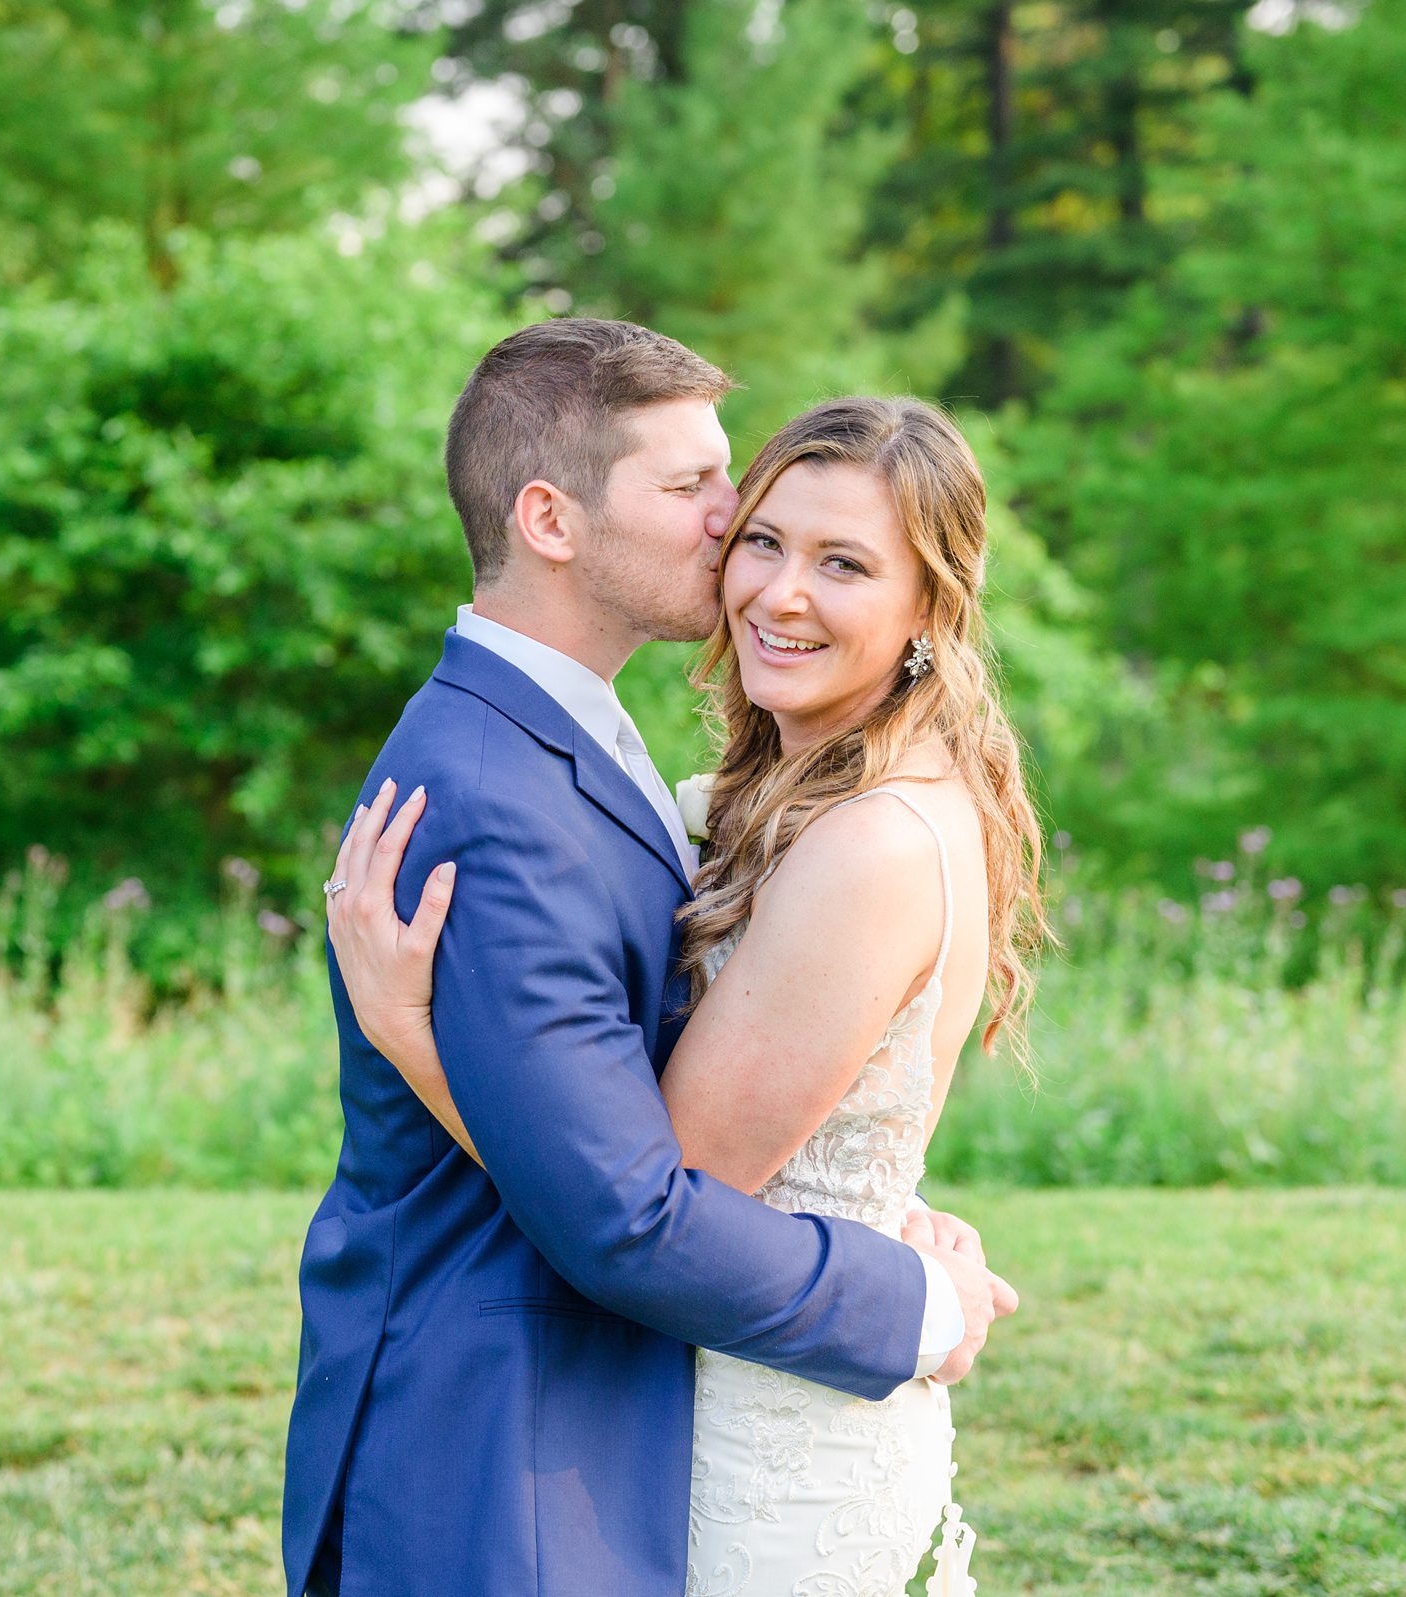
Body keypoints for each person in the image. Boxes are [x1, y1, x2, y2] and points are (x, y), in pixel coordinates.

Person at [281, 318, 1026, 1597]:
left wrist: (421, 1035)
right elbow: (632, 1205)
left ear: (924, 606)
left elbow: (639, 1186)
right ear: (552, 521)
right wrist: (915, 1302)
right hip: (503, 1442)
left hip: (724, 1423)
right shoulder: (501, 784)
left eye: (840, 559)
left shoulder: (811, 808)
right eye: (699, 490)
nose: (736, 536)